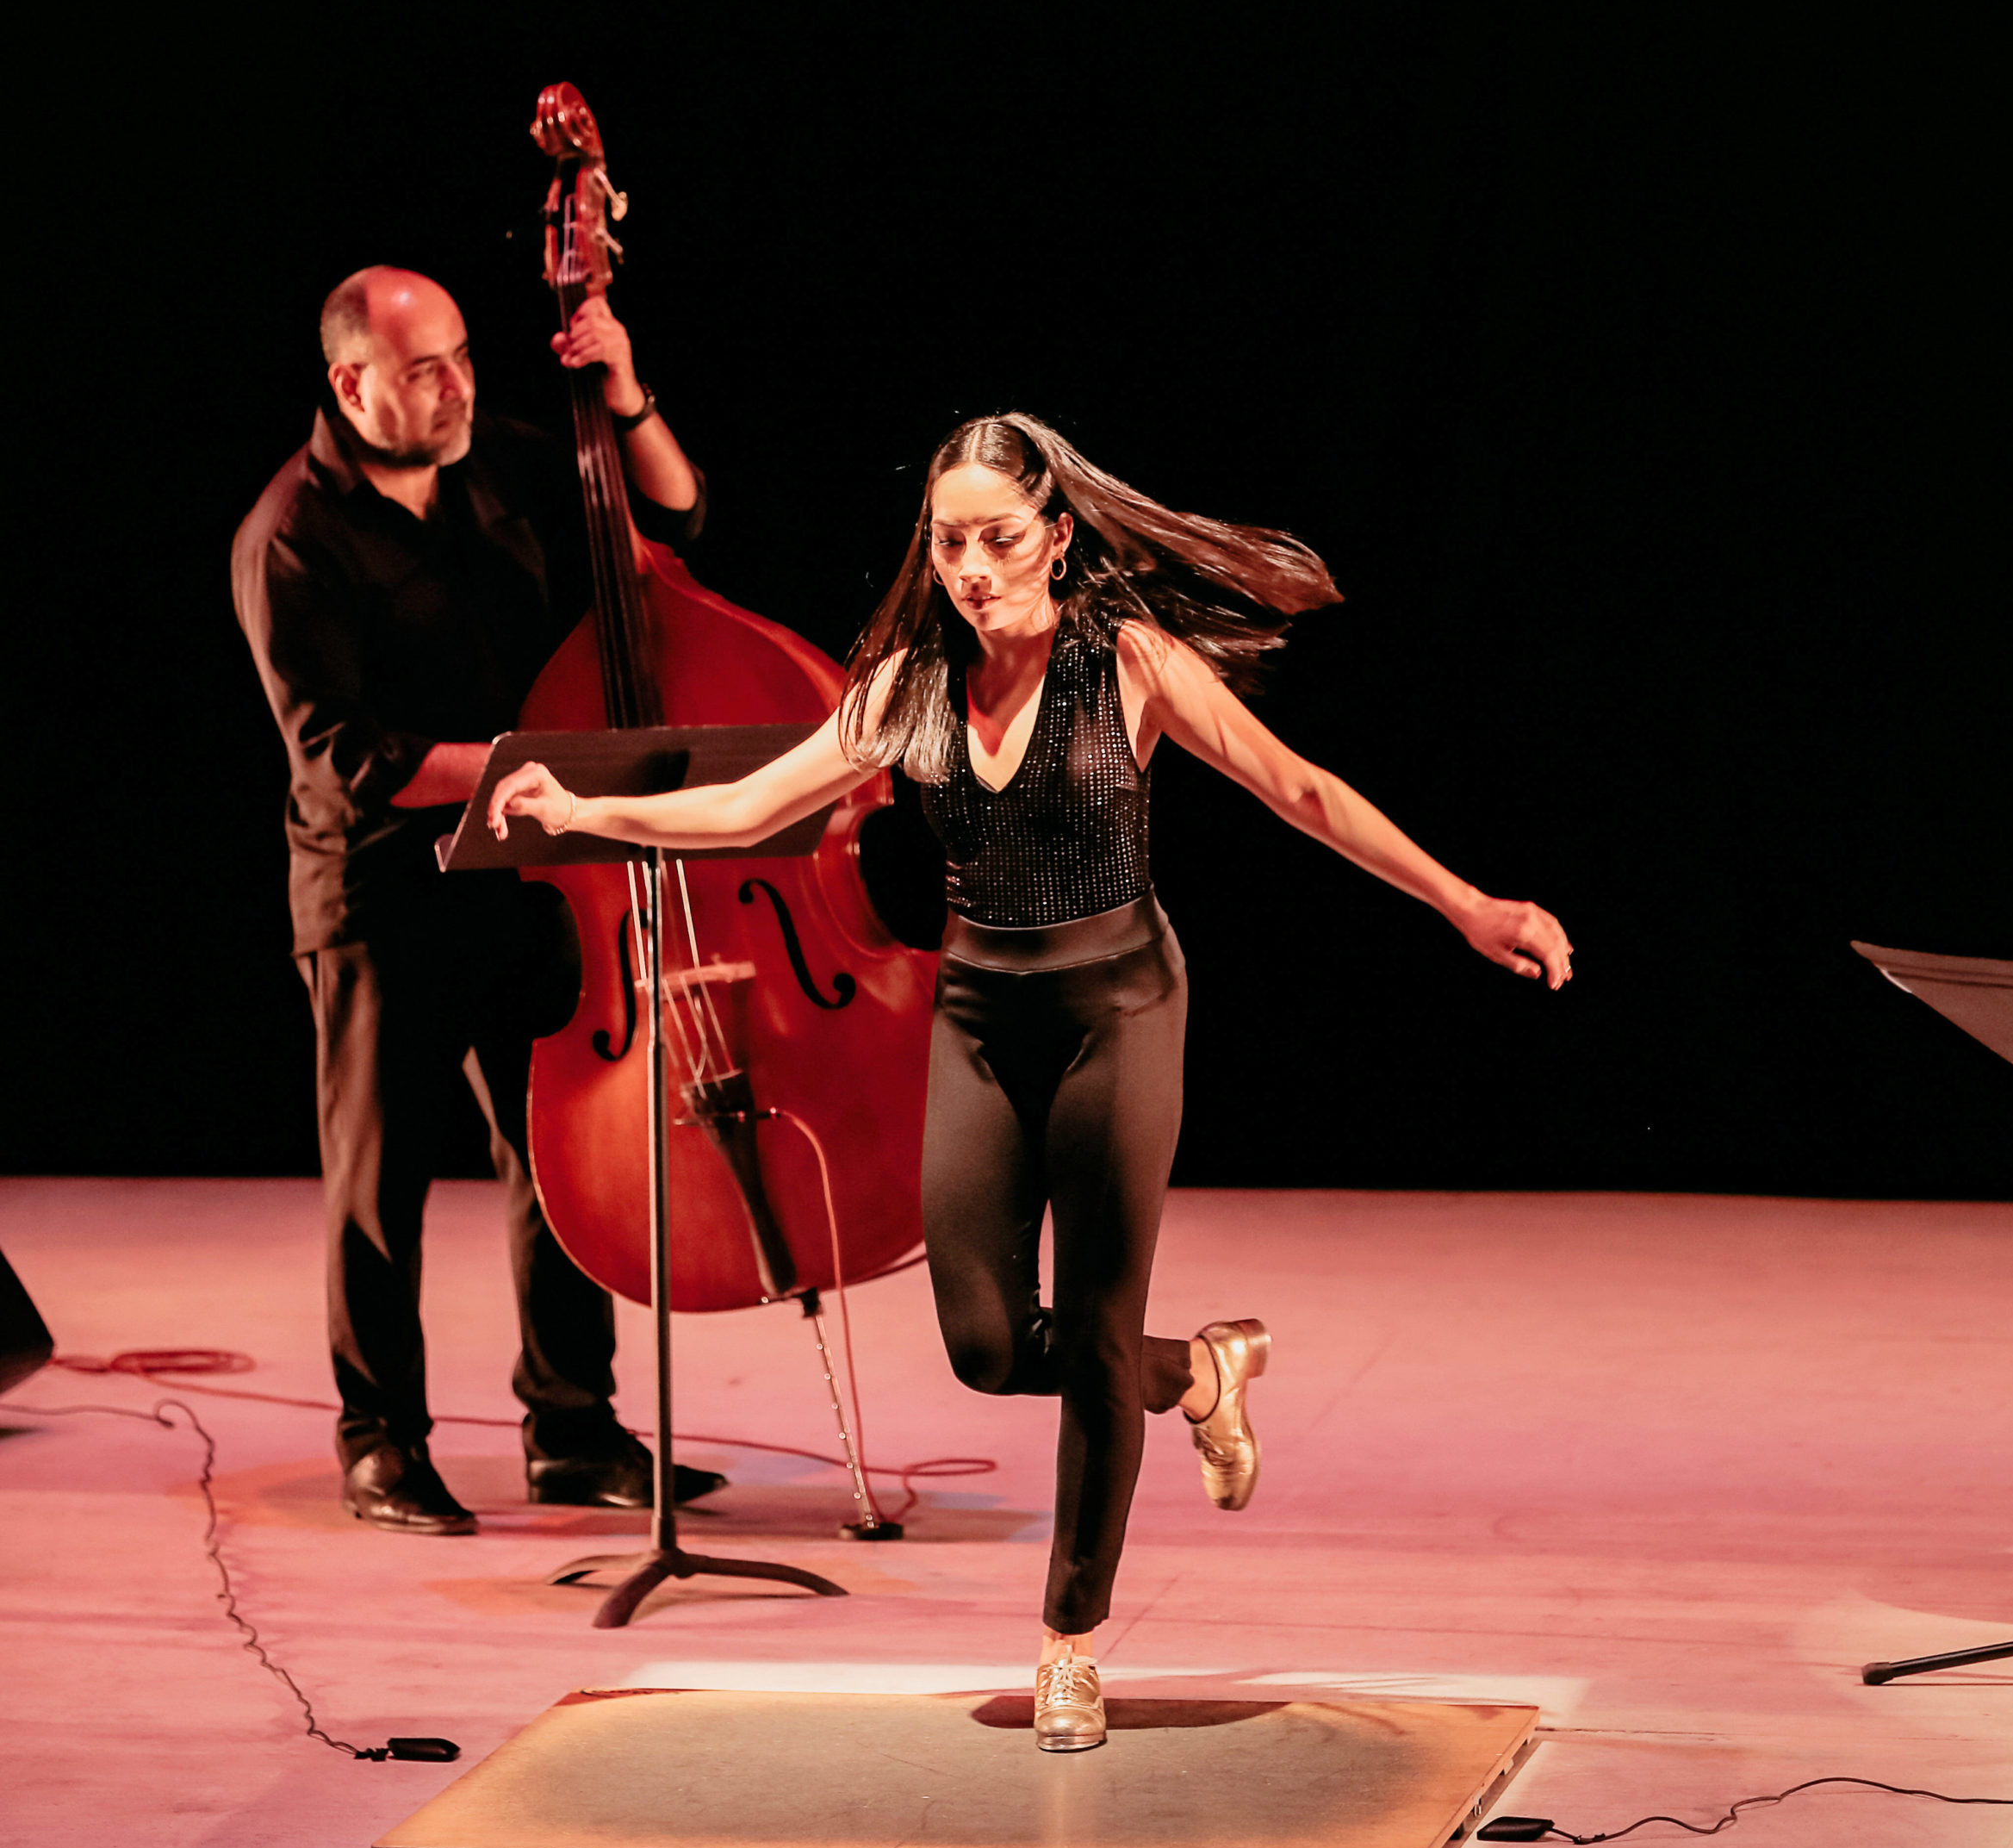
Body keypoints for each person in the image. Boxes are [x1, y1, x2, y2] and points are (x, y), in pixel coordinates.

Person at [488, 412, 1572, 1748]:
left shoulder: (1129, 662)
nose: (972, 567)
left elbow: (1299, 790)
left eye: (999, 539)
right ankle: (1199, 1373)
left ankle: (1068, 1638)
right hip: (978, 1016)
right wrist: (589, 814)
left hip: (1120, 1008)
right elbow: (748, 807)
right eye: (949, 541)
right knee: (989, 1345)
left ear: (1056, 537)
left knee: (1096, 1329)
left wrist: (1467, 905)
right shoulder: (906, 686)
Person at [232, 265, 728, 1534]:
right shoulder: (292, 535)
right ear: (350, 384)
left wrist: (626, 395)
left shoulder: (499, 460)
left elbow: (673, 513)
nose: (456, 386)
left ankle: (573, 1429)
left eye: (459, 356)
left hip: (526, 871)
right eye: (422, 369)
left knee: (554, 1163)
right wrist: (539, 773)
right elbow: (352, 757)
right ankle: (380, 1442)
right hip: (381, 891)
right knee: (379, 1182)